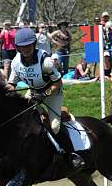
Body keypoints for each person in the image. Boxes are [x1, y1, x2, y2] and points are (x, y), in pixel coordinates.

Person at [6, 27, 84, 168]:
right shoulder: (16, 62)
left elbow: (58, 82)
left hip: (52, 93)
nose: (26, 50)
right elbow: (12, 84)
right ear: (18, 48)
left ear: (34, 44)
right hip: (34, 92)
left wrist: (44, 94)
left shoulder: (46, 61)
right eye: (22, 47)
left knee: (54, 126)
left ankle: (71, 155)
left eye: (29, 46)